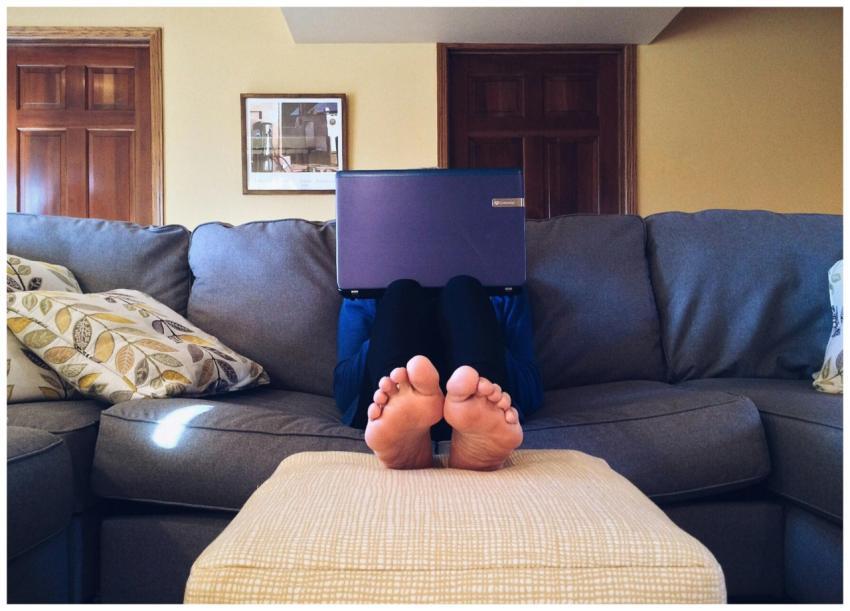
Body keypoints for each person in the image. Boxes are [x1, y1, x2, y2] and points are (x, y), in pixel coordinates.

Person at [334, 274, 543, 471]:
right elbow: (345, 386)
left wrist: (488, 339)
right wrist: (384, 337)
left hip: (480, 392)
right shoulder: (364, 281)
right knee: (402, 291)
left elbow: (530, 385)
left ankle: (475, 403)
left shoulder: (505, 279)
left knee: (463, 288)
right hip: (384, 392)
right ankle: (397, 408)